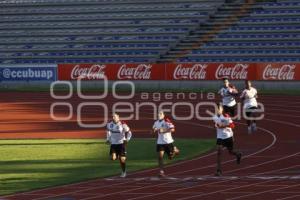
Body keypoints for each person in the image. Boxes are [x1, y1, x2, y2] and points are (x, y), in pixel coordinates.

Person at [212, 104, 242, 176]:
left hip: (228, 136)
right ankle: (219, 171)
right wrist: (216, 126)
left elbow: (232, 126)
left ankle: (238, 154)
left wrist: (223, 126)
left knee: (231, 152)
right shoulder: (214, 117)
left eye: (219, 109)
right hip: (220, 137)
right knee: (219, 152)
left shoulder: (226, 116)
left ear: (222, 109)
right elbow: (216, 124)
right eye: (216, 109)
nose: (217, 110)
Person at [152, 111, 179, 177]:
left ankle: (175, 150)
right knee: (160, 157)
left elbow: (173, 129)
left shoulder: (167, 121)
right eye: (158, 114)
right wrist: (154, 130)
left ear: (163, 115)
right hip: (160, 142)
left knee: (170, 157)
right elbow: (154, 129)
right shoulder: (156, 122)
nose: (159, 115)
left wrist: (164, 130)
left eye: (161, 114)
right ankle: (161, 171)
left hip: (168, 142)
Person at [106, 113, 132, 178]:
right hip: (114, 143)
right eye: (112, 116)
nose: (113, 118)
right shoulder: (109, 124)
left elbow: (129, 132)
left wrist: (127, 140)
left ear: (118, 117)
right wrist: (108, 139)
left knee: (122, 160)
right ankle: (117, 156)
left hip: (121, 143)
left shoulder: (123, 124)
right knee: (113, 158)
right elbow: (108, 132)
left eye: (115, 116)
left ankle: (124, 172)